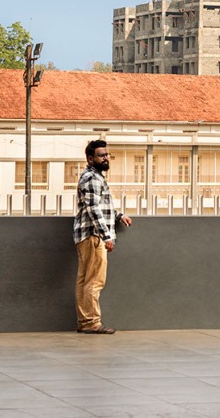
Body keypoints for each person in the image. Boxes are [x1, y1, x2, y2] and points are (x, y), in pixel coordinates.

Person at [73, 138, 131, 334]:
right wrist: (106, 236)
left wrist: (118, 216)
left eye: (107, 155)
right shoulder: (91, 178)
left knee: (84, 280)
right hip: (93, 235)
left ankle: (85, 322)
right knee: (94, 281)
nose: (106, 158)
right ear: (90, 158)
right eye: (101, 155)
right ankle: (91, 323)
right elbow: (93, 209)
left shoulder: (95, 177)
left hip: (89, 234)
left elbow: (101, 206)